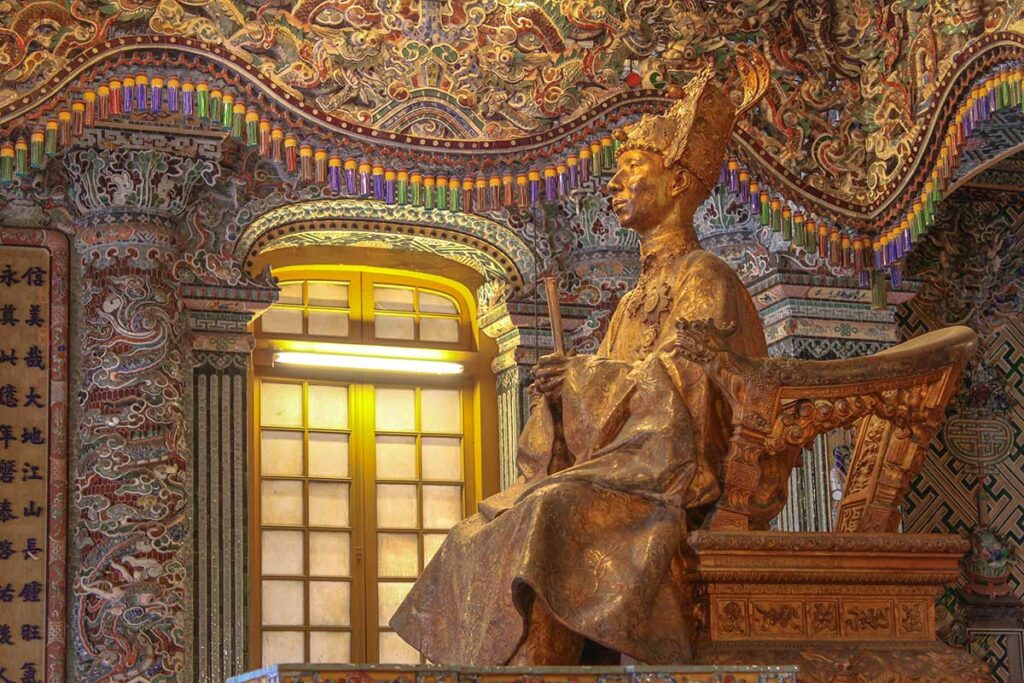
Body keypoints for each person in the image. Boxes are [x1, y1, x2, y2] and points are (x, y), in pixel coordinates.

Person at [390, 64, 767, 666]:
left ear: (676, 180)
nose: (614, 182)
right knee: (476, 531)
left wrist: (586, 378)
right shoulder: (631, 301)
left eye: (631, 169)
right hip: (619, 469)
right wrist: (563, 395)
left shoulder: (706, 278)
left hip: (667, 480)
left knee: (546, 514)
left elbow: (691, 388)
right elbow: (617, 397)